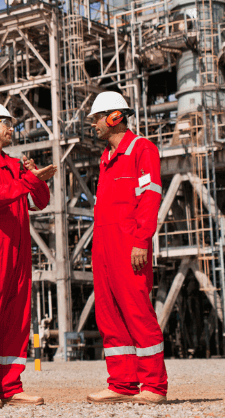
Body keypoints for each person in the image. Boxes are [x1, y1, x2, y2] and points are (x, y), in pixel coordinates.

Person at [0, 103, 57, 409]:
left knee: (16, 320)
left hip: (17, 252)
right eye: (5, 122)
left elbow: (40, 202)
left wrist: (36, 178)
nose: (11, 127)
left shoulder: (14, 165)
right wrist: (27, 180)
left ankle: (10, 387)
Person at [86, 91, 168, 405]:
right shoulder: (106, 159)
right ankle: (122, 383)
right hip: (103, 247)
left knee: (137, 311)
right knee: (109, 314)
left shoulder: (141, 149)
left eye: (96, 118)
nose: (93, 124)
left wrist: (141, 240)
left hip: (129, 244)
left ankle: (154, 386)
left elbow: (149, 197)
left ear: (114, 117)